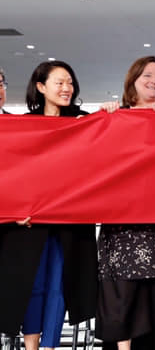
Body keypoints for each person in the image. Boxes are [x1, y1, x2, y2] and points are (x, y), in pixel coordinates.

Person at [0, 60, 97, 350]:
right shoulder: (22, 125)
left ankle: (50, 345)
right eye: (59, 82)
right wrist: (12, 210)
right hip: (30, 222)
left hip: (69, 221)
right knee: (34, 284)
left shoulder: (84, 121)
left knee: (59, 286)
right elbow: (11, 172)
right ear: (41, 87)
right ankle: (31, 344)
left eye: (70, 82)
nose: (67, 88)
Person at [96, 56, 155, 350]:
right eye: (147, 76)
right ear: (132, 81)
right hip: (122, 226)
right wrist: (106, 113)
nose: (154, 81)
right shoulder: (115, 116)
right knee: (122, 300)